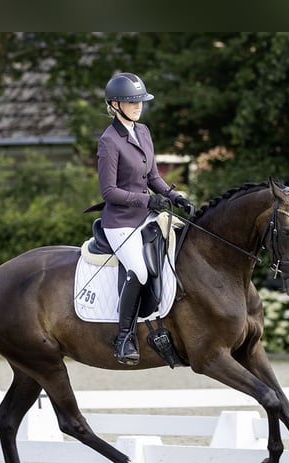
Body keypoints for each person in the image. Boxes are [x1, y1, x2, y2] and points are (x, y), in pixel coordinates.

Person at [97, 72, 194, 365]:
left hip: (148, 217)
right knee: (138, 271)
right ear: (115, 104)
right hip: (120, 221)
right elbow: (109, 191)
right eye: (131, 102)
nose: (138, 106)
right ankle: (124, 336)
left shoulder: (144, 131)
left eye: (140, 101)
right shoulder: (109, 141)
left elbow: (153, 176)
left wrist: (175, 196)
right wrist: (146, 199)